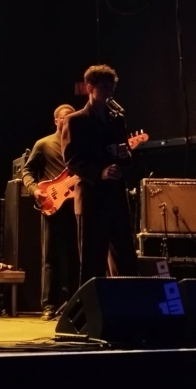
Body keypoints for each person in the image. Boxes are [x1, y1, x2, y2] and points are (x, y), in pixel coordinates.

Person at [61, 64, 138, 284]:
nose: (109, 92)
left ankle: (127, 306)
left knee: (126, 258)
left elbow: (127, 157)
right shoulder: (75, 120)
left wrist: (124, 156)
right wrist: (100, 173)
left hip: (116, 197)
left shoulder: (117, 119)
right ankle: (92, 310)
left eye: (111, 87)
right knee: (92, 262)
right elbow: (72, 160)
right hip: (92, 199)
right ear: (89, 88)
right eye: (104, 87)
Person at [21, 104, 80, 320]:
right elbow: (26, 170)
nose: (68, 120)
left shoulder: (79, 144)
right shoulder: (44, 144)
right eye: (65, 117)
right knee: (51, 257)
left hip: (75, 206)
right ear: (56, 121)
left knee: (76, 256)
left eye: (72, 117)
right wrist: (34, 189)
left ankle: (75, 303)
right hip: (52, 206)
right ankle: (49, 305)